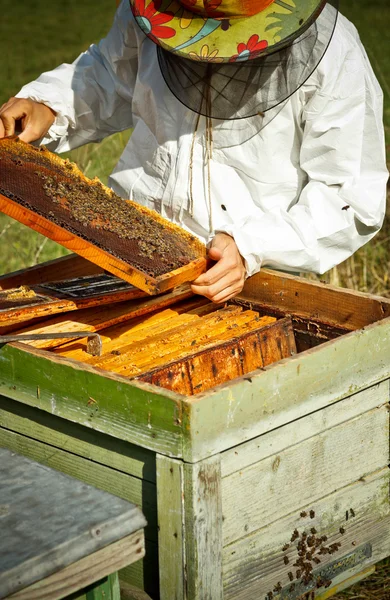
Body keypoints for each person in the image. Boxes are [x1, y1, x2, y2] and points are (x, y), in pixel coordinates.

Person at [0, 0, 387, 303]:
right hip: (124, 258)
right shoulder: (152, 11)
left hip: (244, 282)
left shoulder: (335, 51)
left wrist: (253, 247)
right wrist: (49, 105)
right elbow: (110, 72)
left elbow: (349, 195)